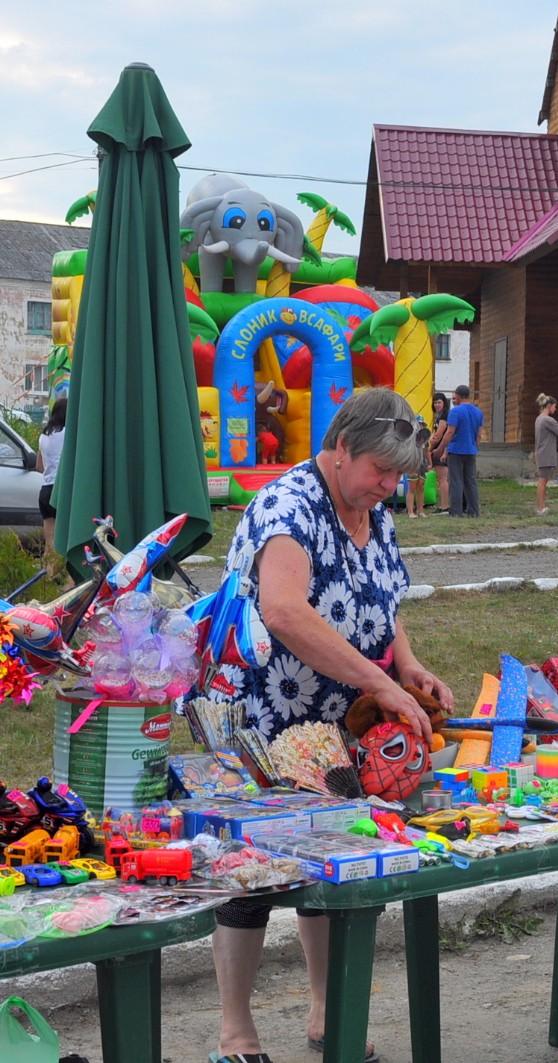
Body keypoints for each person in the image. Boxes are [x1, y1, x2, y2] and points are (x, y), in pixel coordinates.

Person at [208, 388, 453, 1063]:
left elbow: (385, 597)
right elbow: (284, 611)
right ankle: (235, 1032)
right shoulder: (289, 507)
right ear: (340, 446)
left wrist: (408, 664)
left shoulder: (371, 507)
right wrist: (377, 682)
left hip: (332, 720)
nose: (389, 486)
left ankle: (325, 1012)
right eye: (381, 470)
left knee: (337, 860)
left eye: (400, 476)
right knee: (253, 873)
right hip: (264, 716)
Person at [439, 384, 483, 517]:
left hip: (457, 450)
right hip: (471, 450)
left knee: (456, 481)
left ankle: (456, 511)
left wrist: (441, 448)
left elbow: (450, 432)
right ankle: (474, 511)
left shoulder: (455, 411)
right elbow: (479, 434)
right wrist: (475, 447)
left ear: (457, 395)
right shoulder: (478, 412)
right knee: (471, 481)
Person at [35, 397, 66, 582]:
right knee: (67, 542)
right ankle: (68, 586)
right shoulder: (70, 433)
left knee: (49, 544)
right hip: (62, 490)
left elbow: (39, 466)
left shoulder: (43, 436)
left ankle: (46, 582)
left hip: (45, 490)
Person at [533, 394, 558, 515]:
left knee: (542, 480)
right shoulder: (548, 420)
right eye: (554, 406)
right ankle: (541, 507)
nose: (555, 409)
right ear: (549, 406)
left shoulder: (540, 418)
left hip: (541, 452)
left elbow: (557, 428)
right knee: (543, 481)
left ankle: (540, 506)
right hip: (546, 453)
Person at [427, 392, 451, 514]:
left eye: (439, 402)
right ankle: (443, 505)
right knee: (441, 479)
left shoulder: (444, 416)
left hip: (441, 450)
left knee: (442, 479)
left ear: (444, 403)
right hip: (439, 449)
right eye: (435, 402)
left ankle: (445, 506)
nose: (437, 405)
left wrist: (429, 446)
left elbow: (439, 434)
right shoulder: (439, 416)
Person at [404, 415, 431, 518]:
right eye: (417, 424)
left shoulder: (425, 438)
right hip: (413, 463)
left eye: (421, 424)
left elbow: (427, 451)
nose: (419, 426)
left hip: (422, 464)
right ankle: (410, 511)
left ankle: (420, 510)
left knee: (421, 487)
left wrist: (430, 462)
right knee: (412, 487)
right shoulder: (410, 439)